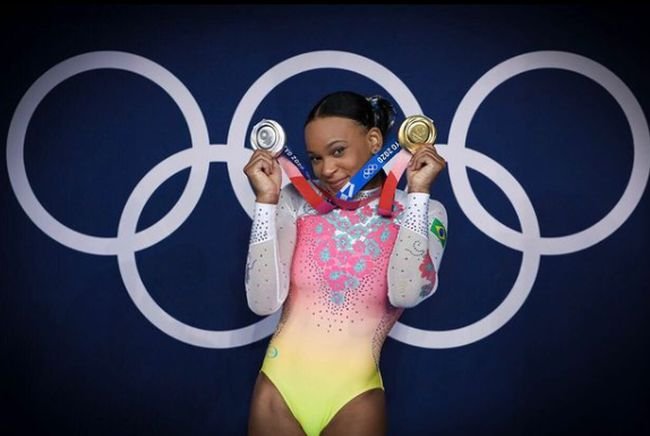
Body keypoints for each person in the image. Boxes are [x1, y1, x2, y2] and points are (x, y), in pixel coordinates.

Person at [243, 91, 447, 436]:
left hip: (354, 398)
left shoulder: (425, 212)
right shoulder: (296, 202)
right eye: (315, 158)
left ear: (373, 140)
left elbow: (405, 293)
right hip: (277, 390)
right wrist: (266, 201)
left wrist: (418, 194)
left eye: (338, 151)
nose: (327, 169)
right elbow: (262, 302)